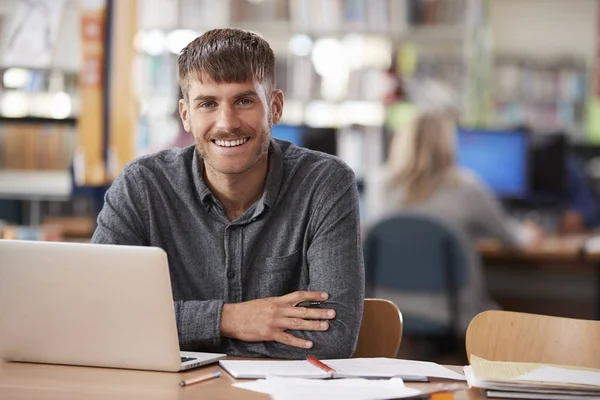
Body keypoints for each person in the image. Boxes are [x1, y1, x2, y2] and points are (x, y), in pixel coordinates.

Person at [91, 28, 364, 359]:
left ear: (275, 107)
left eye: (245, 101)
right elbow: (103, 317)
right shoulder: (141, 186)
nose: (227, 122)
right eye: (208, 103)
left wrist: (173, 328)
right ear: (186, 115)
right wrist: (229, 319)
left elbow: (332, 340)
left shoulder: (325, 184)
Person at [366, 111, 540, 331]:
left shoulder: (379, 185)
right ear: (447, 143)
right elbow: (511, 240)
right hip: (451, 309)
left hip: (388, 307)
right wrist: (529, 232)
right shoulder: (467, 187)